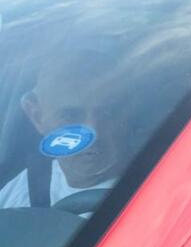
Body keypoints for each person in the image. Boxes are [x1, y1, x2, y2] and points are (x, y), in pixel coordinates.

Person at [0, 49, 128, 212]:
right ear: (37, 117)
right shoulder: (22, 189)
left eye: (107, 113)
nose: (93, 132)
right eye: (70, 116)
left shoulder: (151, 185)